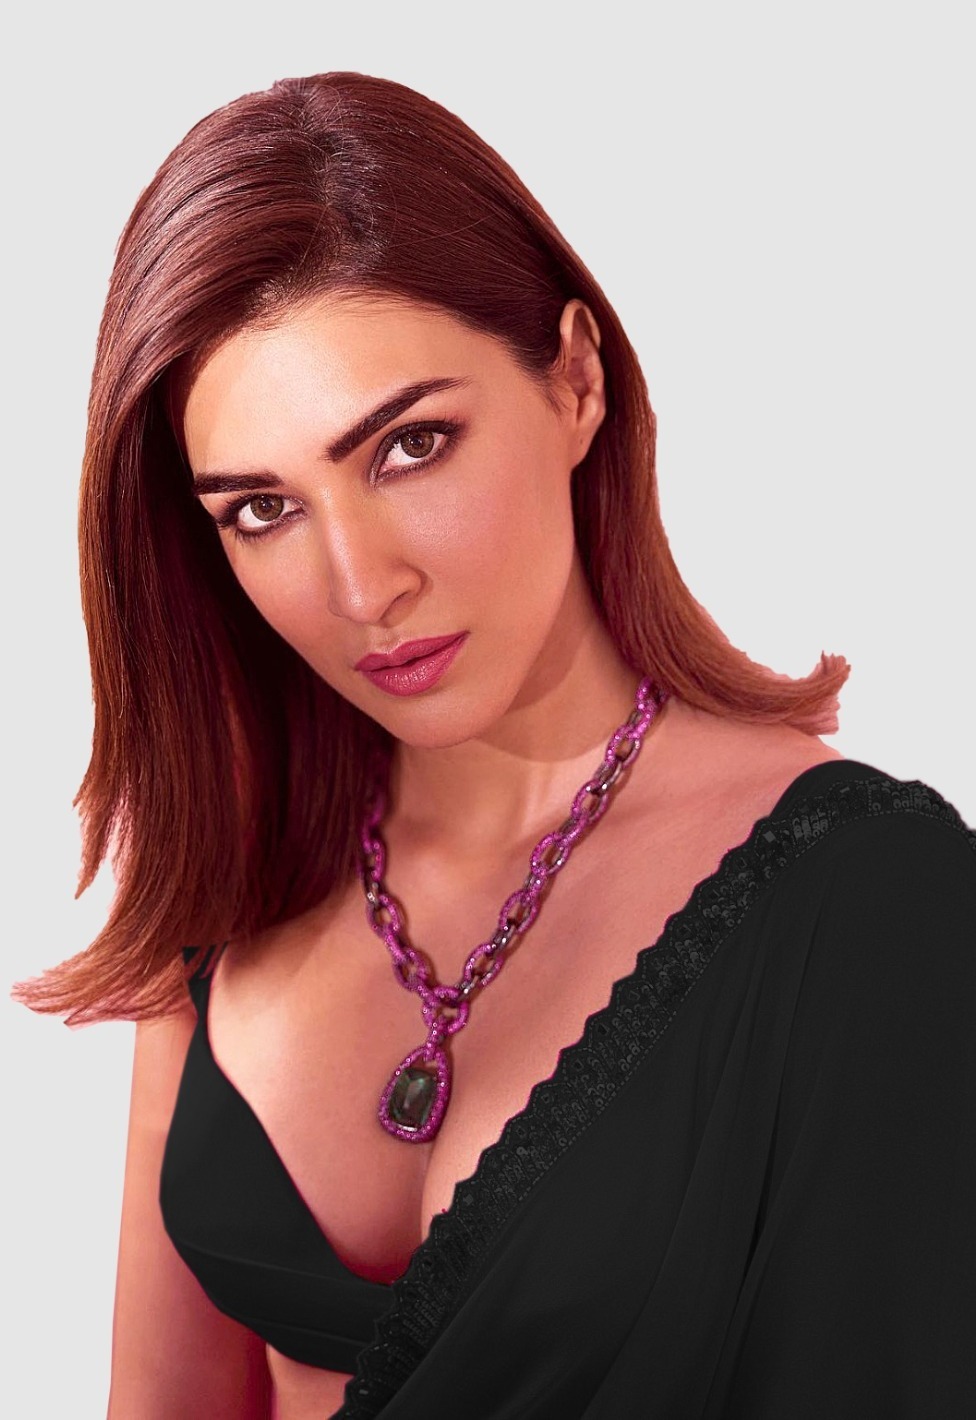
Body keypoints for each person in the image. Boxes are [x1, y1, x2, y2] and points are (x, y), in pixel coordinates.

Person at [12, 71, 974, 1420]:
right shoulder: (234, 878)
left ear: (576, 380)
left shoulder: (875, 902)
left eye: (411, 446)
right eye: (262, 510)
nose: (362, 587)